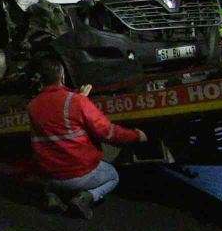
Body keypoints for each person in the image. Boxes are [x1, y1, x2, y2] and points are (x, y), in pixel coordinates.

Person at [28, 58, 147, 219]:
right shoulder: (76, 102)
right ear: (62, 77)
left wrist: (80, 96)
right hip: (78, 174)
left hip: (49, 175)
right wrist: (136, 135)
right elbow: (107, 132)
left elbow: (56, 110)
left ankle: (52, 195)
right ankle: (86, 198)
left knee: (51, 159)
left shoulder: (33, 105)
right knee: (113, 176)